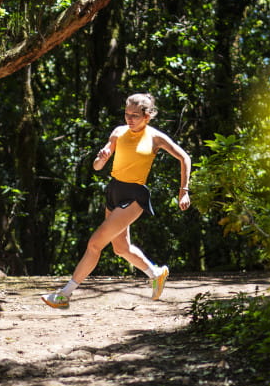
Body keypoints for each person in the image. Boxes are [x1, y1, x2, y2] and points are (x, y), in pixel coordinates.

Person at [42, 93, 190, 309]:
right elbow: (97, 167)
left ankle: (65, 294)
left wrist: (183, 191)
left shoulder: (156, 137)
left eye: (135, 116)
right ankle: (156, 273)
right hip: (114, 191)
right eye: (127, 114)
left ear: (147, 116)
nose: (129, 119)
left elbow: (184, 157)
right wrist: (101, 158)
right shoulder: (119, 132)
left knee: (94, 244)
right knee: (121, 248)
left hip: (134, 196)